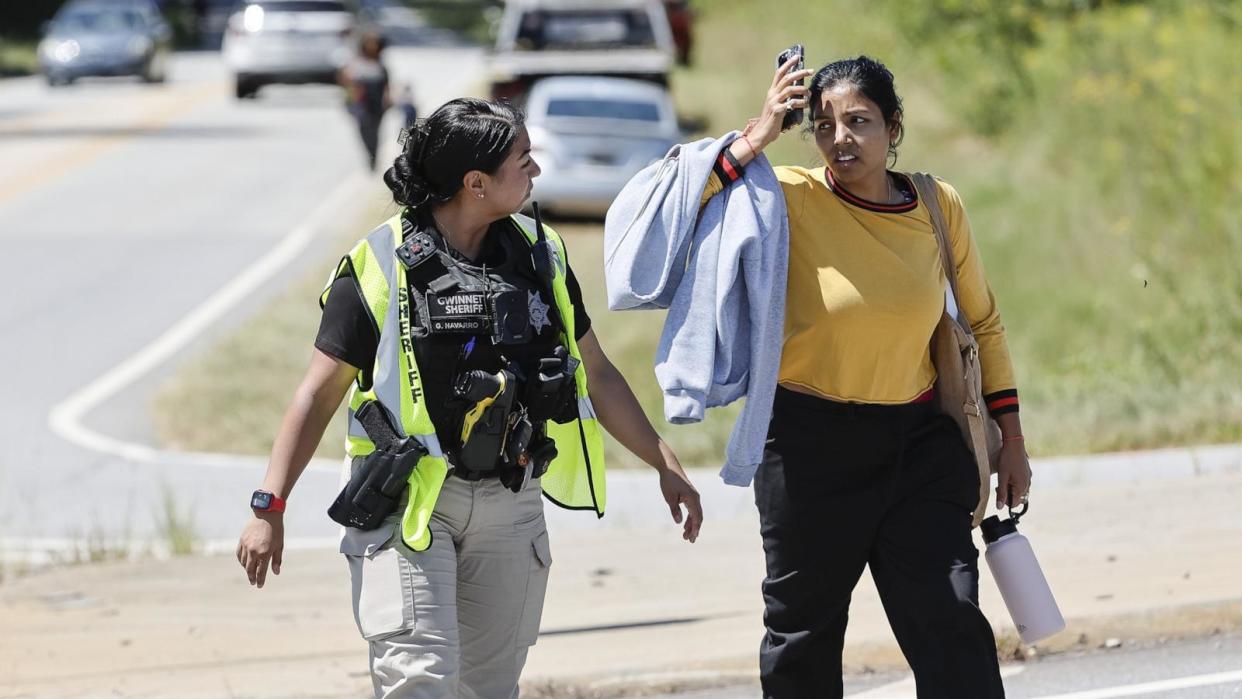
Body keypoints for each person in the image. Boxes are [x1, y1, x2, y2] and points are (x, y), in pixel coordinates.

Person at [235, 97, 703, 698]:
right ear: (475, 183)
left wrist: (663, 461)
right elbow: (315, 396)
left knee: (488, 690)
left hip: (512, 505)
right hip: (408, 506)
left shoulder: (544, 254)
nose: (536, 171)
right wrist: (267, 506)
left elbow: (598, 373)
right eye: (523, 160)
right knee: (420, 684)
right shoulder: (378, 264)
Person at [697, 55, 1033, 697]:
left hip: (919, 444)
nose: (840, 138)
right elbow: (687, 201)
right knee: (802, 639)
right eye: (823, 124)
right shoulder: (787, 194)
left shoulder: (938, 204)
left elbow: (984, 324)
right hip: (807, 448)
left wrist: (1010, 437)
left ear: (893, 127)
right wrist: (762, 129)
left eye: (859, 121)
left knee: (951, 622)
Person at [339, 29, 391, 171]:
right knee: (364, 129)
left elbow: (386, 85)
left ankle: (374, 155)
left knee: (375, 131)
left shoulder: (381, 64)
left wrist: (388, 99)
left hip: (377, 103)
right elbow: (345, 81)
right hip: (361, 103)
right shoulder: (355, 62)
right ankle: (370, 154)